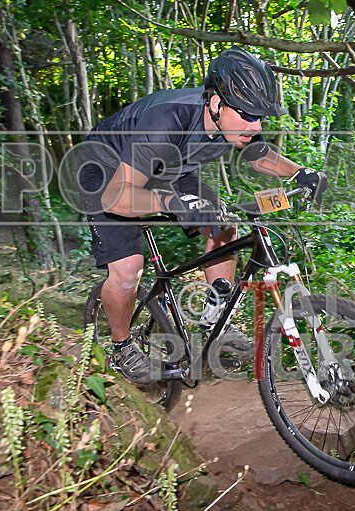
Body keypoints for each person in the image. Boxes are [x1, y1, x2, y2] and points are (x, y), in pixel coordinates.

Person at [76, 46, 327, 384]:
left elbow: (258, 154)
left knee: (224, 224)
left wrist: (299, 173)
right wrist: (169, 203)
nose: (256, 125)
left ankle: (216, 321)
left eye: (260, 117)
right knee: (128, 270)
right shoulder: (167, 119)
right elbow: (116, 198)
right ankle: (121, 347)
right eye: (248, 115)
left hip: (171, 167)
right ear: (215, 104)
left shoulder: (237, 119)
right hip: (106, 172)